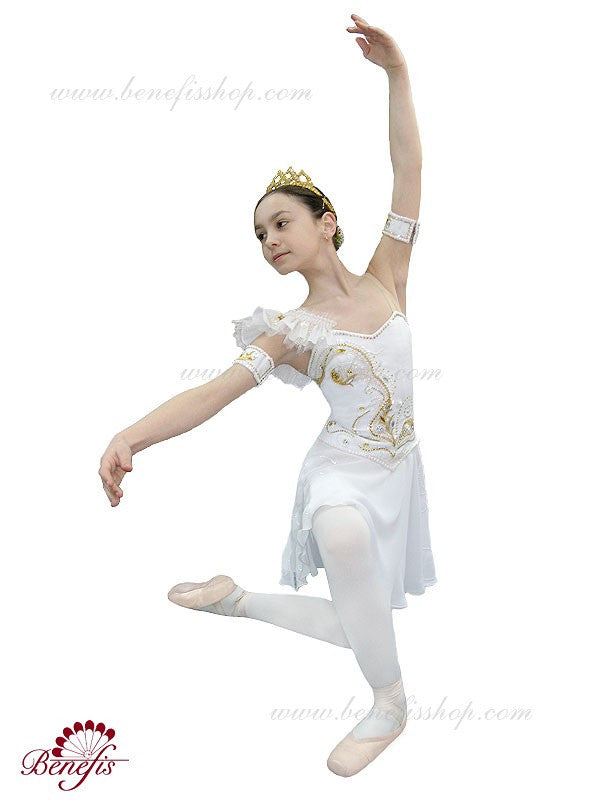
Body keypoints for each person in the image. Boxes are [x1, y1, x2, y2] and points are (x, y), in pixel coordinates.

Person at [98, 14, 437, 778]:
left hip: (399, 471)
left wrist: (396, 73)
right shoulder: (289, 332)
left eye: (280, 222)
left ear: (327, 223)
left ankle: (237, 601)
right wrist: (129, 436)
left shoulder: (389, 273)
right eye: (259, 234)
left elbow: (408, 165)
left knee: (358, 624)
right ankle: (391, 705)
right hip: (342, 471)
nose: (269, 240)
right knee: (340, 537)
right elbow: (213, 394)